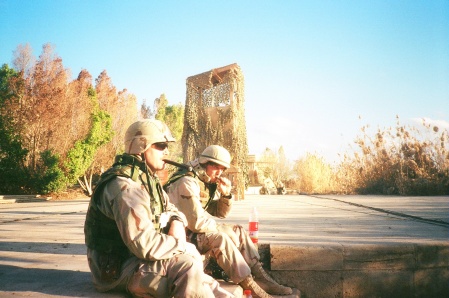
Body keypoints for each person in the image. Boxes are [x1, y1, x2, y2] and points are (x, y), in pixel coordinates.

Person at [84, 120, 232, 298]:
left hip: (135, 259)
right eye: (161, 146)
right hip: (115, 268)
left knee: (210, 284)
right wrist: (180, 245)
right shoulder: (126, 187)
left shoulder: (146, 178)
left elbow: (172, 208)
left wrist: (176, 221)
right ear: (141, 146)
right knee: (187, 266)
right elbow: (144, 244)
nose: (167, 151)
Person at [164, 145, 293, 298]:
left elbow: (218, 212)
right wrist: (221, 229)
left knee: (237, 231)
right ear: (205, 163)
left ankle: (260, 277)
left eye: (222, 169)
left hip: (191, 231)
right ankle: (248, 284)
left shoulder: (202, 179)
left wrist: (226, 195)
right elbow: (196, 223)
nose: (220, 172)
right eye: (216, 167)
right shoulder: (187, 182)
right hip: (179, 237)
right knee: (220, 238)